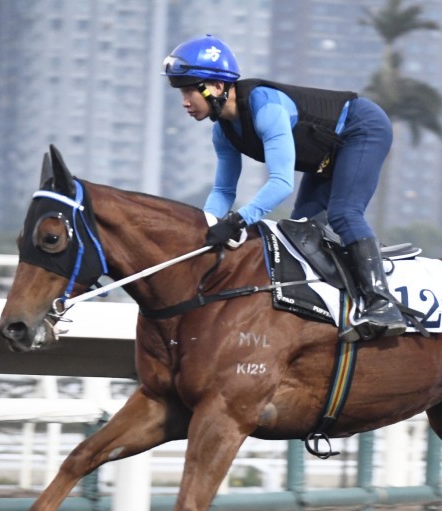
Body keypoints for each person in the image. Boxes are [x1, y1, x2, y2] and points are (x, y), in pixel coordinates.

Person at [162, 34, 405, 342]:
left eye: (189, 91)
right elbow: (223, 191)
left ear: (217, 87)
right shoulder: (223, 133)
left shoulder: (266, 108)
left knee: (344, 213)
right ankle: (337, 306)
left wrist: (238, 221)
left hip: (362, 129)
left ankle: (383, 304)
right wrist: (205, 227)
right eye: (181, 92)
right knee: (301, 228)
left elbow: (281, 183)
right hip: (326, 155)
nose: (185, 101)